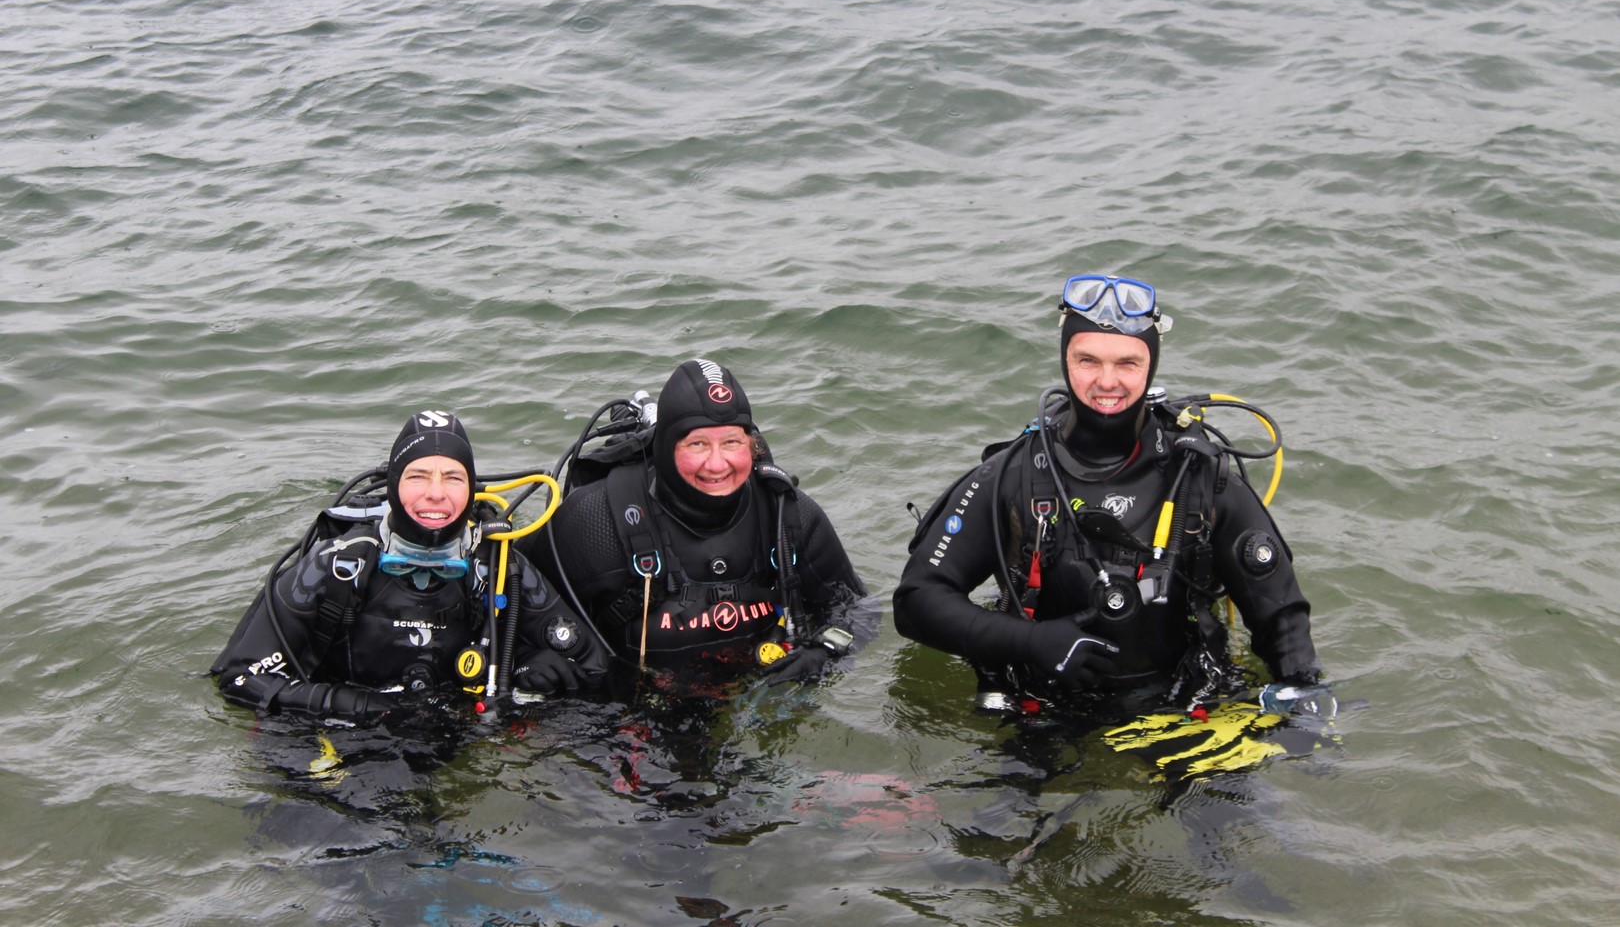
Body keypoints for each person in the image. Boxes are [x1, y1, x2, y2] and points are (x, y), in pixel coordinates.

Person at [893, 274, 1325, 718]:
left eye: (1127, 363)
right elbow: (917, 601)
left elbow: (1281, 618)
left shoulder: (1197, 476)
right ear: (1065, 359)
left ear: (1150, 366)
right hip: (1047, 706)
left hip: (1187, 702)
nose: (1107, 381)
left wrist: (1305, 704)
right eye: (1087, 360)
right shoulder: (1014, 477)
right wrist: (1032, 642)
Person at [213, 409, 609, 719]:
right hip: (335, 736)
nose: (436, 493)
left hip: (446, 734)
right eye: (418, 476)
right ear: (394, 486)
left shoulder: (499, 567)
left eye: (453, 478)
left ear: (471, 490)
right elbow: (239, 678)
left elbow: (593, 665)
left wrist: (525, 667)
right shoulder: (338, 566)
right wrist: (344, 703)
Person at [517, 358, 870, 687]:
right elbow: (510, 606)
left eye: (731, 442)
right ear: (666, 447)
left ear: (752, 444)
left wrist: (826, 650)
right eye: (697, 443)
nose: (717, 465)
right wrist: (528, 661)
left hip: (756, 688)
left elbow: (856, 609)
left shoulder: (789, 516)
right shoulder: (594, 521)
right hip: (631, 710)